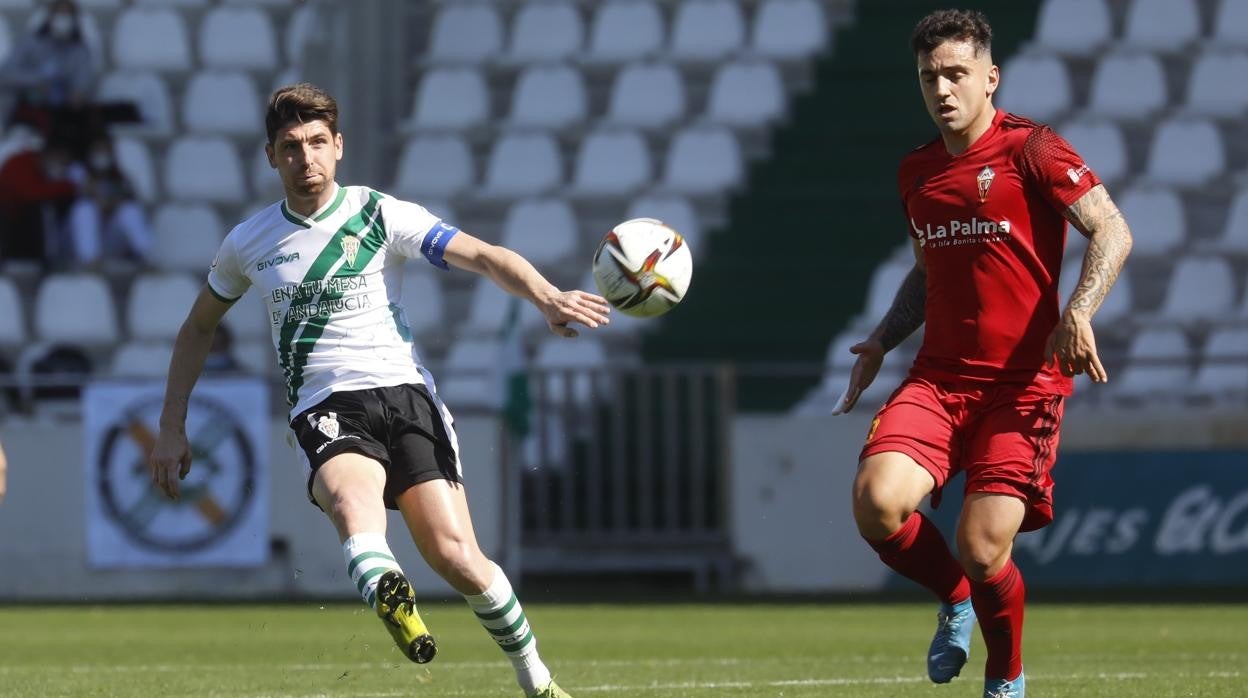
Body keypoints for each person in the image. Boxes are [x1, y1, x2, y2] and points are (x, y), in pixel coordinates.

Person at [148, 83, 605, 698]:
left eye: (316, 142)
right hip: (326, 404)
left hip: (406, 394)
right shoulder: (248, 243)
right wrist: (170, 425)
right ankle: (391, 592)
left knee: (456, 555)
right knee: (350, 501)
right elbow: (198, 328)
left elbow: (483, 255)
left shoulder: (380, 214)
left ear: (338, 146)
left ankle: (538, 682)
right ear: (271, 156)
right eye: (291, 146)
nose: (305, 158)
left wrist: (546, 297)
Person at [833, 10, 1133, 698]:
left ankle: (1005, 677)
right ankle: (955, 599)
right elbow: (928, 270)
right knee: (876, 503)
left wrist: (1078, 311)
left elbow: (1113, 230)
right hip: (938, 380)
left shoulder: (1033, 149)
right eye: (928, 77)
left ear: (990, 77)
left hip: (1023, 385)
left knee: (982, 542)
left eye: (956, 74)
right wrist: (882, 339)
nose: (942, 89)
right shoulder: (917, 171)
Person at [0, 0, 94, 146]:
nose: (63, 19)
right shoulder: (30, 42)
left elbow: (82, 85)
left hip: (61, 111)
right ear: (50, 16)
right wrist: (37, 80)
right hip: (26, 106)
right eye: (59, 13)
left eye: (67, 15)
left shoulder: (80, 50)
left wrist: (74, 93)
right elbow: (6, 74)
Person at [60, 133, 154, 269]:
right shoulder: (77, 173)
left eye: (106, 151)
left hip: (108, 241)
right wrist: (90, 193)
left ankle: (148, 257)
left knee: (129, 210)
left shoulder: (121, 179)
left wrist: (112, 202)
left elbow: (129, 198)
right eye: (98, 150)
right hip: (74, 244)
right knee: (84, 209)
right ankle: (89, 261)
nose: (102, 155)